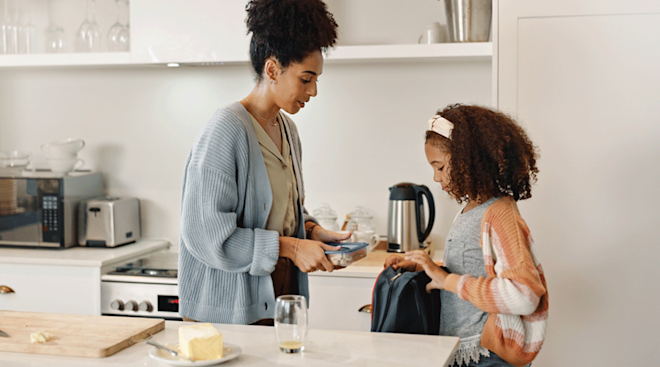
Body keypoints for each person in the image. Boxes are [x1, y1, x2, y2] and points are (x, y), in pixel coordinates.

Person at [178, 0, 349, 326]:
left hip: (277, 302)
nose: (313, 90)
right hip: (226, 314)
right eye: (306, 78)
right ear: (272, 70)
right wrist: (293, 248)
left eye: (316, 79)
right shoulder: (225, 130)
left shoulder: (288, 130)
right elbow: (207, 235)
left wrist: (310, 230)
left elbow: (278, 207)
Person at [385, 104, 549, 367]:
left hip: (487, 358)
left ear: (468, 160)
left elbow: (524, 294)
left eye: (439, 167)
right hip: (465, 351)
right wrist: (426, 269)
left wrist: (446, 279)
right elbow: (471, 270)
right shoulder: (471, 209)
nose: (436, 178)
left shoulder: (499, 214)